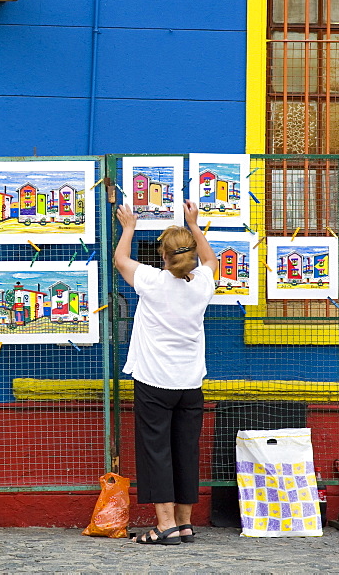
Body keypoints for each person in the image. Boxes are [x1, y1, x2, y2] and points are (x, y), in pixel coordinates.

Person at [113, 200, 218, 546]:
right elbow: (211, 260)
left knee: (156, 450)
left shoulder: (153, 281)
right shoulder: (202, 284)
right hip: (190, 384)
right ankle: (185, 524)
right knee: (185, 450)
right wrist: (195, 224)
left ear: (163, 256)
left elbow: (120, 261)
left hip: (154, 382)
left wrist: (128, 226)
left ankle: (165, 525)